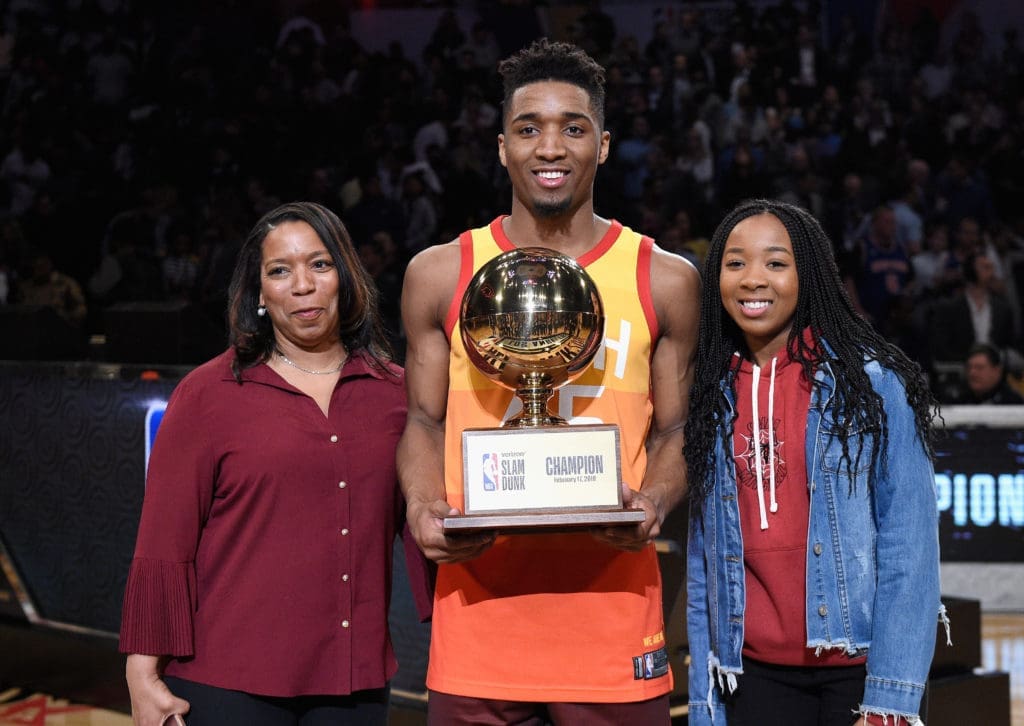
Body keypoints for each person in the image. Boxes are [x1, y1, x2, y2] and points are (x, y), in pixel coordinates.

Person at [397, 39, 700, 725]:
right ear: (503, 147)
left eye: (573, 127)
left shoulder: (665, 278)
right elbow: (421, 420)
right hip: (478, 625)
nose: (550, 147)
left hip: (614, 624)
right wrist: (421, 507)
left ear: (603, 144)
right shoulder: (441, 273)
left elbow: (680, 429)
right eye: (529, 128)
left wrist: (652, 500)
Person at [119, 201, 430, 726]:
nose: (302, 285)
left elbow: (425, 523)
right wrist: (142, 674)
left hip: (352, 682)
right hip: (226, 681)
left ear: (346, 276)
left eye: (320, 264)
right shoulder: (209, 393)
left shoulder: (397, 393)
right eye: (280, 271)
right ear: (260, 293)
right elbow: (163, 541)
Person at [684, 199, 945, 726]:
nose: (753, 279)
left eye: (776, 263)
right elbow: (703, 562)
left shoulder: (871, 384)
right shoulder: (709, 393)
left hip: (859, 668)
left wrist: (889, 702)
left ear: (811, 276)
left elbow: (909, 546)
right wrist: (703, 700)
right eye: (735, 263)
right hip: (750, 673)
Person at [958, 342, 1024, 405]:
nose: (972, 373)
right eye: (969, 367)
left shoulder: (1013, 403)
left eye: (979, 368)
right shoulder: (959, 400)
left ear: (997, 371)